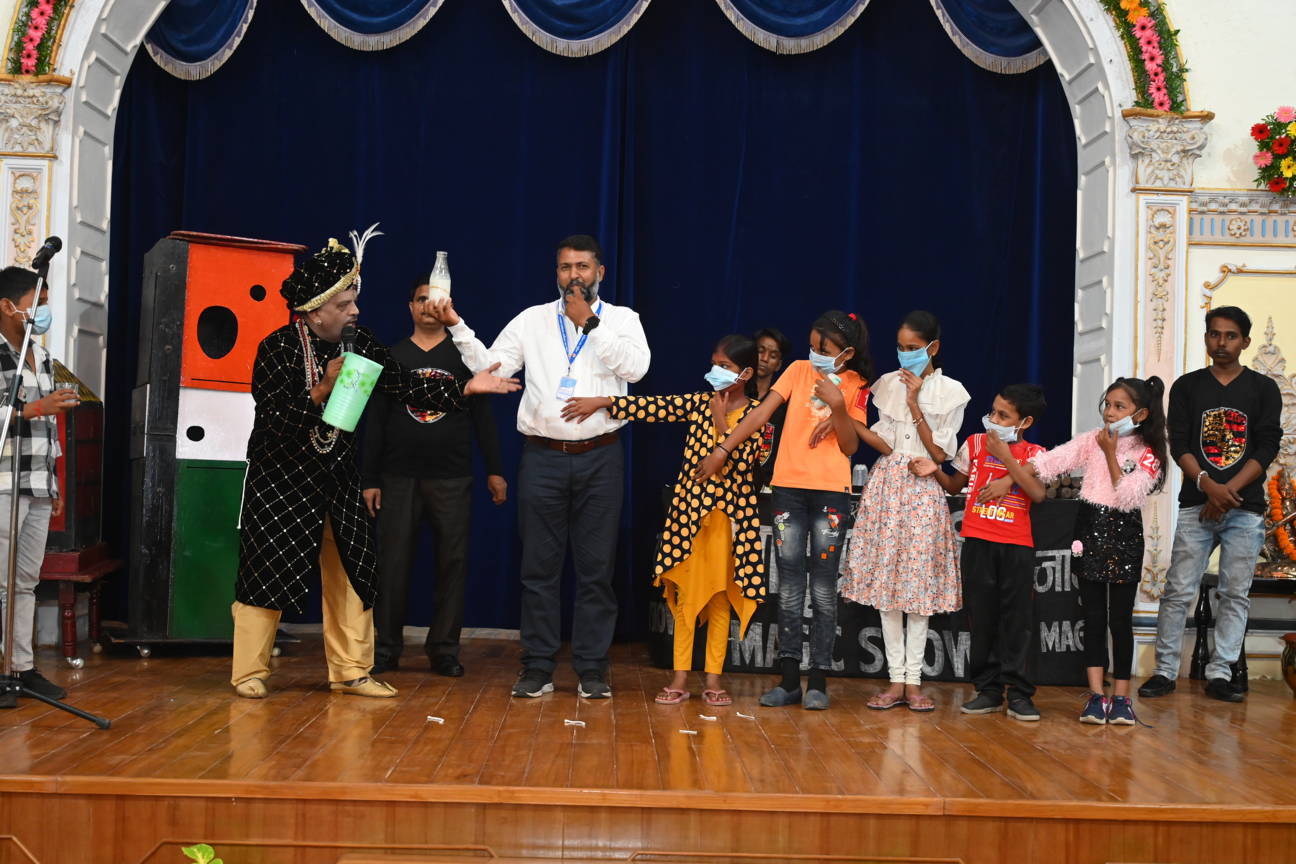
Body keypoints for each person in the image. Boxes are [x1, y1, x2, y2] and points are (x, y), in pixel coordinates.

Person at [231, 235, 518, 700]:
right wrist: (322, 389)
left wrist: (464, 389)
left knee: (353, 572)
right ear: (314, 311)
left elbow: (404, 386)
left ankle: (351, 672)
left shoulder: (360, 343)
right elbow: (273, 420)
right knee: (268, 569)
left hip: (337, 476)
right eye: (344, 305)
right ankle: (249, 672)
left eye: (354, 301)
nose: (356, 311)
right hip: (282, 478)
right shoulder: (277, 348)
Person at [433, 234, 650, 699]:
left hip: (601, 457)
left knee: (596, 571)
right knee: (538, 570)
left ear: (600, 273)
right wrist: (456, 325)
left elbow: (636, 369)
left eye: (582, 267)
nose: (574, 275)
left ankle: (592, 669)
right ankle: (537, 667)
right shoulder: (532, 320)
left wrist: (590, 323)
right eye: (566, 267)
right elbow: (492, 366)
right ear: (556, 274)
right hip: (542, 458)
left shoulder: (622, 319)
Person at [564, 335, 765, 706]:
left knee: (720, 599)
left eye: (725, 366)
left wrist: (721, 425)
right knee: (686, 597)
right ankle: (680, 676)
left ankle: (714, 679)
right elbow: (654, 407)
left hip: (727, 524)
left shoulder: (758, 415)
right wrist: (604, 402)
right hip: (689, 519)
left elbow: (743, 467)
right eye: (714, 364)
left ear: (746, 373)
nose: (716, 371)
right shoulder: (699, 402)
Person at [694, 311, 872, 710]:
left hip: (831, 493)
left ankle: (819, 681)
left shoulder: (856, 385)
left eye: (824, 348)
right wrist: (724, 448)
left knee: (822, 588)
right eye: (812, 345)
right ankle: (789, 679)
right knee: (789, 587)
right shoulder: (796, 370)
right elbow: (760, 414)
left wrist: (838, 408)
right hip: (788, 490)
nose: (815, 354)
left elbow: (849, 446)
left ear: (846, 353)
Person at [362, 278, 508, 679]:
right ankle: (386, 648)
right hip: (397, 476)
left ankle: (444, 649)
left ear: (449, 306)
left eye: (436, 300)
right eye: (421, 299)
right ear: (410, 307)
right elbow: (375, 422)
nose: (428, 306)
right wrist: (369, 478)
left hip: (452, 476)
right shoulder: (391, 356)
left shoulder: (464, 356)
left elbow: (484, 417)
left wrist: (495, 469)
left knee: (452, 565)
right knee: (392, 565)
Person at [1139, 306, 1281, 703]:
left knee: (1234, 594)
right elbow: (1179, 443)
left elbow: (1267, 445)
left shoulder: (1263, 389)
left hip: (1244, 508)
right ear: (1206, 338)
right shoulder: (1188, 386)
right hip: (1195, 505)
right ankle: (1165, 671)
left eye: (1231, 336)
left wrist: (1225, 491)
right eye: (1215, 334)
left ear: (1245, 342)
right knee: (1177, 590)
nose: (1222, 342)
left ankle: (1220, 673)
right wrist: (1206, 485)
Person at [841, 311, 969, 714]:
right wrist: (844, 416)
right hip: (887, 486)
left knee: (917, 589)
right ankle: (895, 679)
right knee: (887, 589)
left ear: (933, 348)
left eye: (913, 348)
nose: (905, 354)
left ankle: (914, 682)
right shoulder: (886, 385)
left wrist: (915, 403)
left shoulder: (951, 391)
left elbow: (940, 453)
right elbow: (883, 442)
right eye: (900, 347)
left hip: (923, 488)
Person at [1026, 377, 1165, 725]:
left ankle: (1122, 698)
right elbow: (1052, 462)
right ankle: (1095, 695)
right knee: (1092, 618)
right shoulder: (1092, 439)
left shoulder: (1148, 453)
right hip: (1089, 532)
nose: (1110, 413)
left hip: (1124, 538)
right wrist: (1011, 470)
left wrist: (1110, 453)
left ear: (1140, 414)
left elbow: (1128, 495)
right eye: (1108, 405)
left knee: (1120, 621)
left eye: (1120, 406)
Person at [912, 383, 1046, 720]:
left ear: (1025, 422)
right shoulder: (973, 443)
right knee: (982, 619)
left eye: (1004, 415)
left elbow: (1038, 493)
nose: (994, 419)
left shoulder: (1036, 453)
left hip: (1016, 545)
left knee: (1017, 621)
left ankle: (1020, 694)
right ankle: (988, 690)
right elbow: (954, 485)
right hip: (978, 542)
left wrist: (1006, 466)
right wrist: (935, 471)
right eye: (993, 412)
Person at [0, 266, 79, 709]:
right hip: (3, 485)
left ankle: (20, 668)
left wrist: (55, 483)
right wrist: (32, 409)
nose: (44, 312)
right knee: (1, 582)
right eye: (38, 303)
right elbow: (31, 414)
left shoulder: (43, 357)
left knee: (26, 582)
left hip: (36, 484)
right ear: (8, 306)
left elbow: (50, 429)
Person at [753, 327, 790, 490]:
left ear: (779, 365)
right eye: (760, 351)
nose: (765, 358)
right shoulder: (734, 396)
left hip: (768, 488)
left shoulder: (784, 404)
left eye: (773, 356)